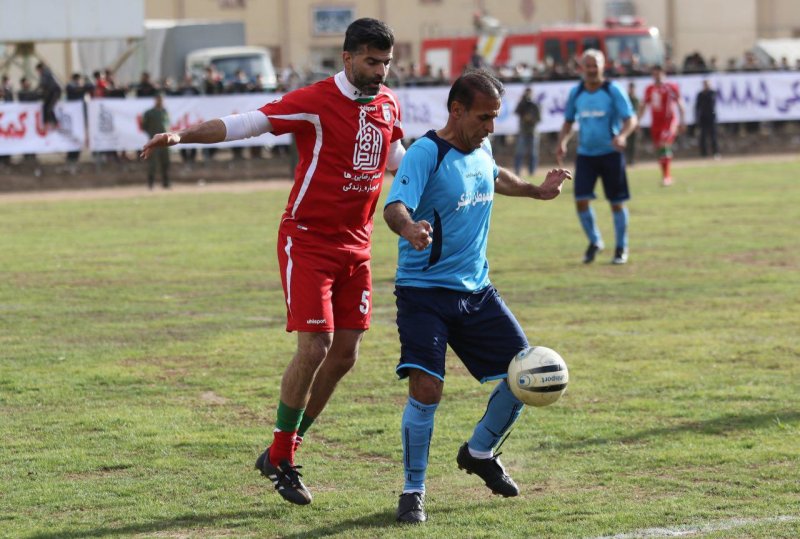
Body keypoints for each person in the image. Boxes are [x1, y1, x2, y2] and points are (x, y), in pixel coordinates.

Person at [140, 17, 404, 506]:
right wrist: (182, 137)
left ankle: (281, 450)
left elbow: (396, 160)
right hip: (307, 242)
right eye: (372, 61)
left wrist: (452, 176)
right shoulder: (316, 101)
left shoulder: (387, 104)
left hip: (358, 245)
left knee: (345, 355)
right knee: (315, 347)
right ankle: (283, 457)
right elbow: (248, 122)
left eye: (386, 62)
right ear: (347, 58)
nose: (380, 71)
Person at [383, 69, 571, 524]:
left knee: (527, 373)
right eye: (484, 117)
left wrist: (534, 190)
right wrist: (409, 228)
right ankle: (413, 491)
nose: (491, 128)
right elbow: (394, 206)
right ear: (457, 110)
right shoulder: (426, 152)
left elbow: (493, 174)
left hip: (477, 291)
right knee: (427, 388)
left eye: (495, 118)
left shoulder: (481, 146)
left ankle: (480, 452)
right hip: (424, 293)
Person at [556, 49, 637, 265]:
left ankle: (621, 248)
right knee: (581, 201)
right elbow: (568, 121)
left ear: (603, 66)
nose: (592, 70)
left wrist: (622, 135)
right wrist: (563, 142)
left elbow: (631, 119)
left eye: (595, 65)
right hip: (586, 155)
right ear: (581, 68)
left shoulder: (613, 91)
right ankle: (595, 241)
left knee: (616, 203)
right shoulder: (577, 92)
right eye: (588, 65)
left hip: (611, 154)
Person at [638, 65, 685, 186]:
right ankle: (665, 175)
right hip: (656, 124)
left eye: (659, 74)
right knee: (659, 149)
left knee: (664, 145)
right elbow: (643, 106)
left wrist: (682, 120)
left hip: (669, 122)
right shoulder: (649, 89)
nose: (657, 76)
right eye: (654, 74)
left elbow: (680, 103)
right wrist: (637, 121)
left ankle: (667, 177)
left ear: (663, 74)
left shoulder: (671, 87)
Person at [141, 94, 171, 189]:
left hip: (165, 142)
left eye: (161, 100)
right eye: (158, 100)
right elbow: (144, 126)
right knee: (152, 163)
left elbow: (167, 124)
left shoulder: (165, 112)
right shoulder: (149, 113)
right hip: (154, 142)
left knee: (165, 162)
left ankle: (166, 183)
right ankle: (151, 184)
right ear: (155, 100)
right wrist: (151, 133)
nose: (160, 102)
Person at [513, 87, 541, 176]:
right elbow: (516, 111)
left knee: (533, 154)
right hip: (523, 132)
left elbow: (539, 118)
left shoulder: (535, 105)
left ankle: (532, 172)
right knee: (519, 152)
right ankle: (517, 171)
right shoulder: (522, 104)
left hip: (532, 132)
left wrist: (530, 119)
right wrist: (522, 102)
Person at [695, 80, 720, 159]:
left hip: (711, 117)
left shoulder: (712, 93)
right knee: (703, 136)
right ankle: (704, 153)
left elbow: (713, 102)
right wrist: (697, 117)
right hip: (703, 118)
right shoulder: (700, 94)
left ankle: (715, 152)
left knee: (713, 136)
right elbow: (697, 106)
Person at [36, 62, 62, 132]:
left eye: (38, 71)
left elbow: (43, 84)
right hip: (50, 92)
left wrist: (36, 90)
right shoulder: (47, 72)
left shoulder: (45, 73)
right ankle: (46, 123)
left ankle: (56, 123)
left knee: (49, 108)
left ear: (40, 69)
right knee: (45, 107)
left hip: (55, 92)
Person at [625, 82, 640, 166]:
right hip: (627, 123)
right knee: (627, 142)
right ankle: (626, 159)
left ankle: (632, 159)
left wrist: (637, 123)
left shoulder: (636, 99)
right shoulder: (626, 99)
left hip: (634, 123)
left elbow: (637, 112)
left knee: (634, 143)